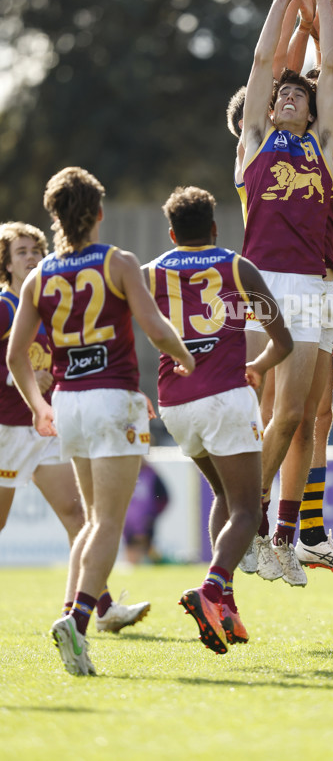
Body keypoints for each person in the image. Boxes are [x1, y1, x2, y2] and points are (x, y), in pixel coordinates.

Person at [7, 168, 195, 676]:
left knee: (91, 522)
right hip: (112, 398)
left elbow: (16, 357)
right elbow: (154, 327)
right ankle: (79, 620)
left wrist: (38, 405)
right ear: (99, 213)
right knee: (108, 522)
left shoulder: (41, 273)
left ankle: (74, 621)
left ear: (55, 215)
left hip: (68, 402)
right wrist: (185, 358)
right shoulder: (118, 261)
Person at [235, 0, 333, 586]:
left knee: (297, 415)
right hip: (260, 281)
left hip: (310, 286)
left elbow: (331, 65)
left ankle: (258, 523)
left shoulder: (321, 145)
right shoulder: (253, 143)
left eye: (294, 97)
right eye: (279, 95)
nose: (284, 99)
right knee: (260, 397)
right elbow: (258, 61)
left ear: (308, 110)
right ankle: (248, 520)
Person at [145, 186, 292, 653]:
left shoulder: (148, 273)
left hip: (175, 403)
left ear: (171, 233)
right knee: (249, 508)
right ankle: (210, 589)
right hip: (226, 397)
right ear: (214, 228)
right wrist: (260, 367)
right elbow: (282, 340)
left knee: (224, 495)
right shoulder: (236, 265)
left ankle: (225, 604)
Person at [0, 220, 151, 632]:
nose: (31, 256)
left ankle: (95, 608)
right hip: (7, 430)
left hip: (45, 425)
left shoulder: (45, 300)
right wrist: (19, 379)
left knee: (77, 514)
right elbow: (16, 364)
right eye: (22, 252)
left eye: (35, 249)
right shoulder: (4, 307)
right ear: (6, 263)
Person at [122, 458, 170, 564]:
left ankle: (153, 564)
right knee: (131, 548)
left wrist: (152, 516)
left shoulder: (152, 475)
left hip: (146, 521)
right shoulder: (125, 474)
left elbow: (164, 498)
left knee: (145, 547)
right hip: (127, 521)